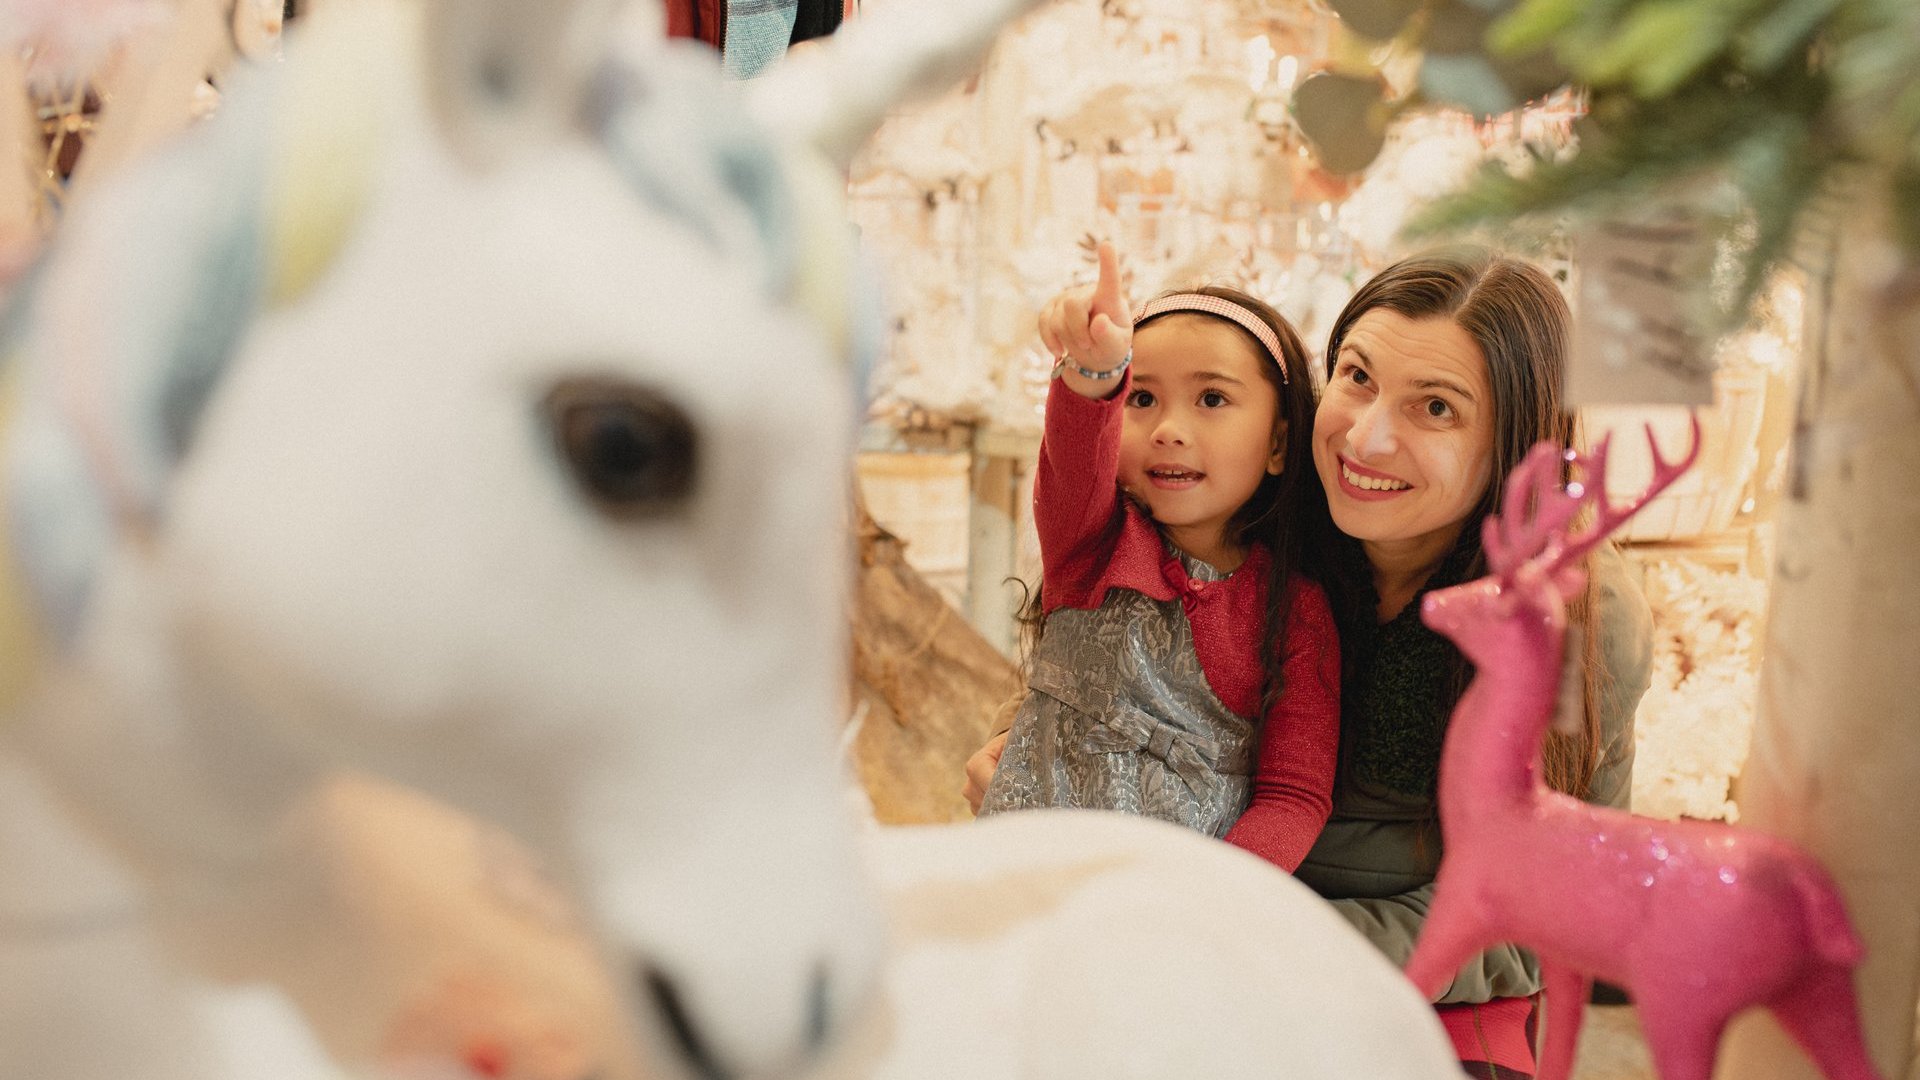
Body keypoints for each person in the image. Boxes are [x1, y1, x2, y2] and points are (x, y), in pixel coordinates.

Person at [966, 250, 1653, 1080]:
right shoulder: (1275, 518)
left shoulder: (1576, 614)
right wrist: (1014, 743)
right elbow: (1104, 640)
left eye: (1435, 407)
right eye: (1357, 377)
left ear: (1515, 447)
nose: (1366, 436)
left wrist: (1273, 948)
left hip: (1411, 989)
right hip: (1170, 939)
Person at [972, 241, 1341, 873]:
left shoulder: (1295, 611)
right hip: (1022, 881)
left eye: (1212, 399)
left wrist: (1209, 903)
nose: (1169, 428)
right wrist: (1094, 373)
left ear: (1280, 441)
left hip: (1174, 914)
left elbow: (1294, 795)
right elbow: (1076, 448)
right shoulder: (1088, 538)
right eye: (1142, 399)